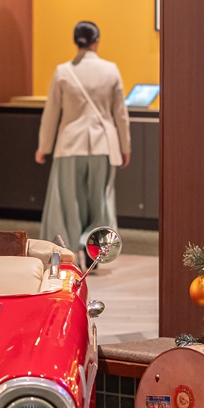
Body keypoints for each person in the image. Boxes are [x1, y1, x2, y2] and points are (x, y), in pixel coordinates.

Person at [35, 21, 130, 261]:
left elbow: (51, 114)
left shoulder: (63, 71)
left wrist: (43, 147)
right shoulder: (111, 70)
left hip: (69, 145)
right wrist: (125, 146)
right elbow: (120, 114)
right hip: (103, 145)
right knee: (100, 202)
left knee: (68, 202)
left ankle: (68, 251)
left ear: (75, 41)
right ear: (96, 41)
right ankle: (95, 249)